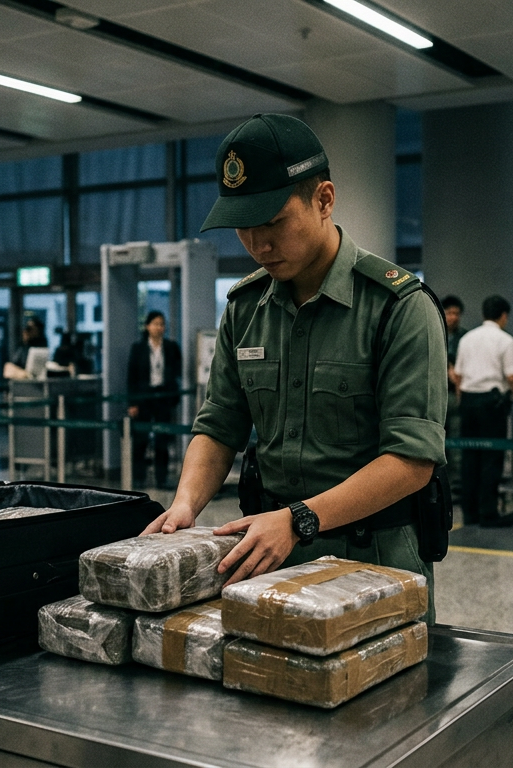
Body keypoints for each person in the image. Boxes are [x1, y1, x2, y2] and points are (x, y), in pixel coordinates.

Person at [141, 113, 447, 610]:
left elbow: (412, 460)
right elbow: (220, 426)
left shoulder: (398, 306)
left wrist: (298, 519)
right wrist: (185, 504)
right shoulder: (245, 309)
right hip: (271, 559)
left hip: (376, 561)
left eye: (273, 223)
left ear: (324, 200)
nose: (258, 244)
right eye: (244, 227)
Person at [451, 295, 513, 528]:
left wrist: (461, 399)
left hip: (468, 402)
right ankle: (488, 514)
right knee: (490, 459)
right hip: (491, 403)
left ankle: (470, 513)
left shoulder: (467, 338)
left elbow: (458, 376)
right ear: (503, 316)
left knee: (469, 458)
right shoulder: (505, 341)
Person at [126, 311, 183, 488]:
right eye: (156, 324)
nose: (159, 327)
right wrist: (132, 403)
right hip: (144, 397)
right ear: (147, 326)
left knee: (162, 440)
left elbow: (176, 370)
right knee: (141, 440)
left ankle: (161, 478)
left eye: (162, 324)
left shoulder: (171, 346)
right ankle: (139, 477)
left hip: (163, 397)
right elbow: (132, 376)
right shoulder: (139, 348)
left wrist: (173, 396)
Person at [441, 295, 465, 487]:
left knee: (456, 438)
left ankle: (457, 481)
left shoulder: (465, 338)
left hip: (456, 394)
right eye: (449, 312)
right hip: (437, 395)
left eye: (456, 313)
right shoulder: (435, 334)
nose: (453, 317)